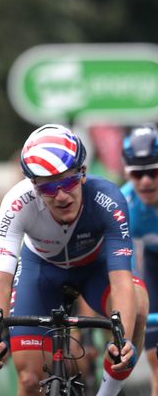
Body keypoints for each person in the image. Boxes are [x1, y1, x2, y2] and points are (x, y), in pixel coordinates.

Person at [0, 124, 149, 396]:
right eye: (48, 187)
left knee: (138, 306)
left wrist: (123, 338)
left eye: (67, 182)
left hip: (96, 269)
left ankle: (107, 392)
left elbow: (121, 282)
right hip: (42, 271)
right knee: (29, 378)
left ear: (82, 173)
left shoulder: (109, 199)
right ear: (33, 185)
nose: (60, 195)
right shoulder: (16, 203)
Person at [121, 123, 158, 393]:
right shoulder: (124, 203)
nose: (146, 181)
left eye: (154, 172)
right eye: (137, 173)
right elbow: (123, 264)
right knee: (156, 357)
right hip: (153, 267)